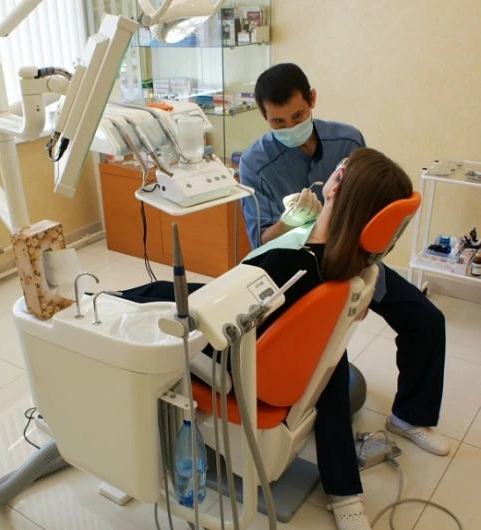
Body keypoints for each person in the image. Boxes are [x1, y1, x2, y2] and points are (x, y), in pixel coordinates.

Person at [118, 148, 413, 530]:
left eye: (338, 169)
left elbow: (227, 306)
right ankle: (345, 492)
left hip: (229, 351)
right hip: (279, 339)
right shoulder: (352, 266)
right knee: (334, 359)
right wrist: (291, 224)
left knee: (143, 299)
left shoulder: (290, 265)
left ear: (336, 185)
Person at [239, 63, 448, 457]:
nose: (290, 127)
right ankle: (330, 450)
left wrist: (364, 285)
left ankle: (410, 416)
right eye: (278, 121)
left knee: (426, 320)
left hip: (357, 259)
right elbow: (261, 240)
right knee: (329, 346)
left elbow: (373, 216)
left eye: (298, 116)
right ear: (264, 117)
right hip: (303, 272)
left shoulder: (348, 141)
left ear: (312, 100)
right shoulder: (255, 163)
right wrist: (290, 221)